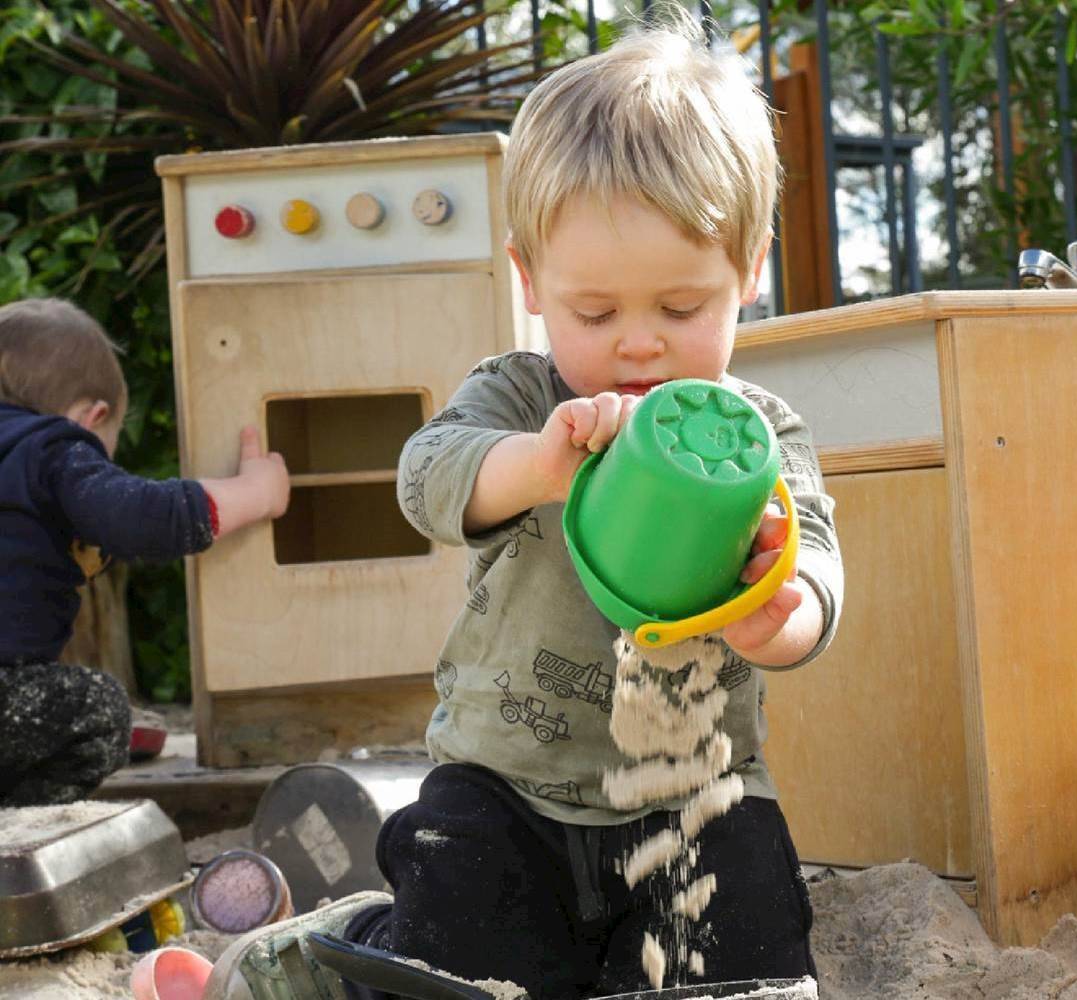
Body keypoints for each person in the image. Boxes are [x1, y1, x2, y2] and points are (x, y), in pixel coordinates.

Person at [206, 9, 843, 1000]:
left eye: (681, 309)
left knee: (753, 948)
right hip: (502, 790)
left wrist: (776, 606)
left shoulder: (755, 440)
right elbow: (425, 477)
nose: (640, 345)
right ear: (531, 280)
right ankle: (344, 942)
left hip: (694, 795)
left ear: (748, 271)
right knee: (451, 952)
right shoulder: (520, 399)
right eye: (596, 312)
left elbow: (815, 591)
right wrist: (536, 466)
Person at [0, 297, 288, 806]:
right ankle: (23, 824)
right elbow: (141, 517)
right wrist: (256, 493)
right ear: (94, 418)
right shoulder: (54, 446)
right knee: (101, 710)